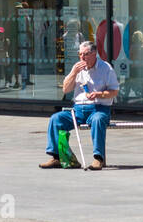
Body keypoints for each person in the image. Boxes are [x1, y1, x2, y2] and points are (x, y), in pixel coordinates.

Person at [40, 41, 118, 171]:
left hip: (98, 107)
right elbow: (66, 89)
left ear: (94, 54)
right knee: (56, 119)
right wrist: (73, 73)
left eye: (86, 54)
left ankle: (98, 158)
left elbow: (114, 91)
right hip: (78, 109)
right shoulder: (77, 68)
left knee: (98, 120)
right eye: (80, 54)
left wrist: (99, 94)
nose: (82, 58)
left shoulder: (106, 68)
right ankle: (57, 157)